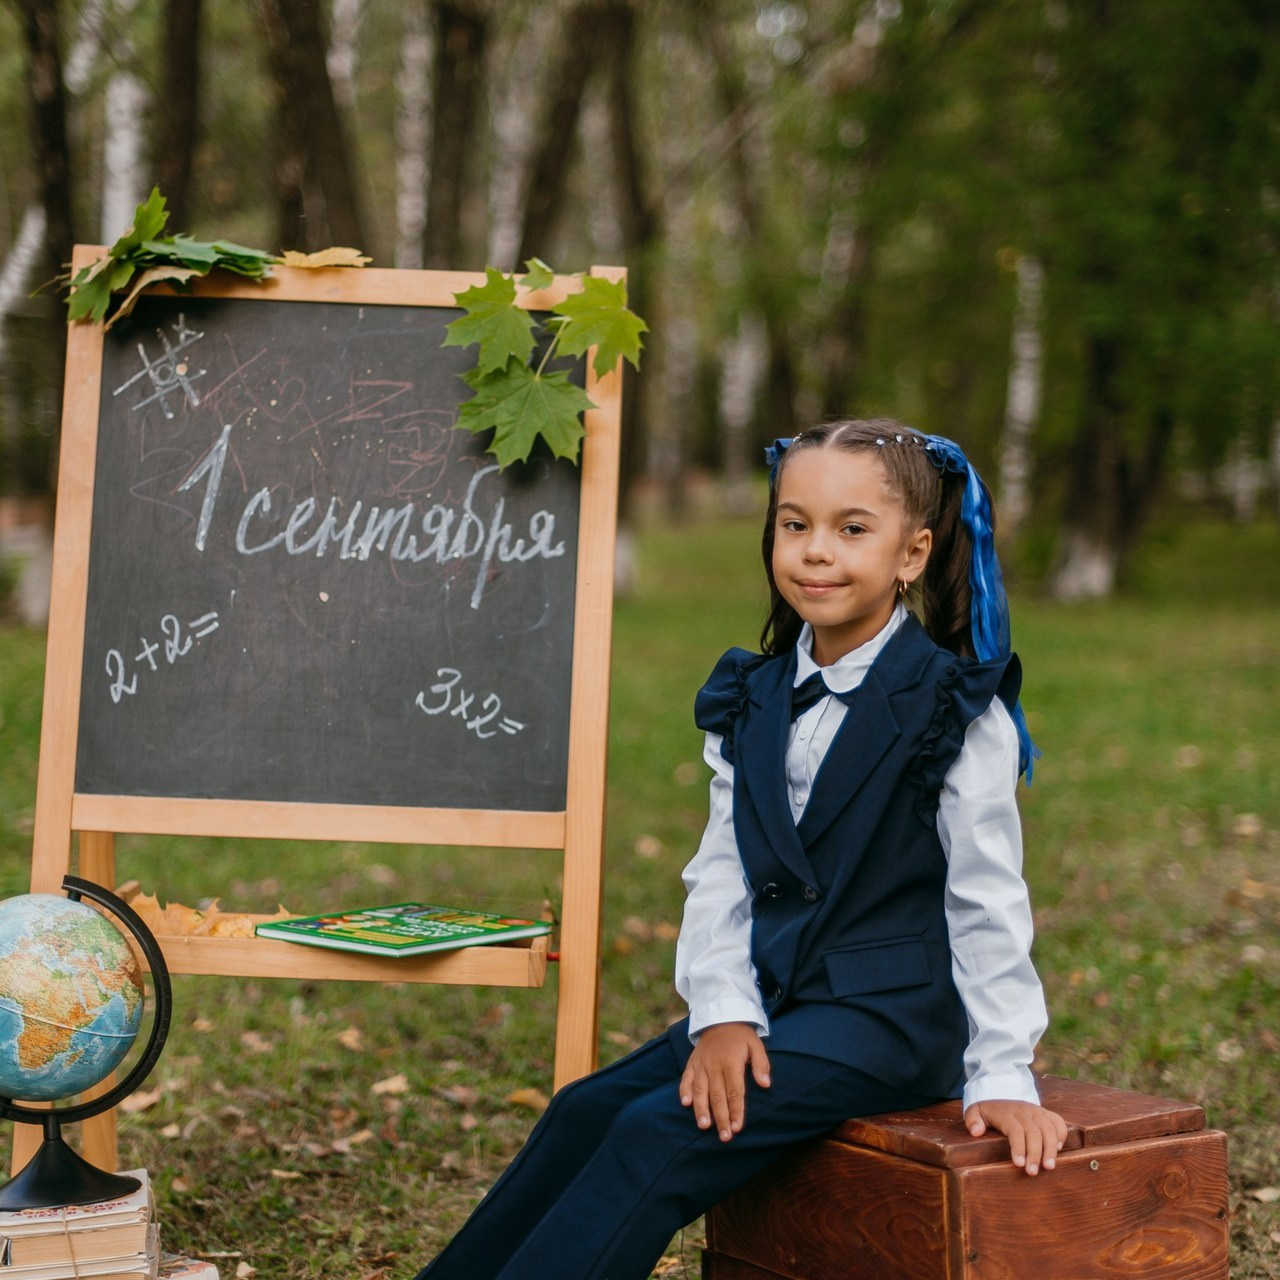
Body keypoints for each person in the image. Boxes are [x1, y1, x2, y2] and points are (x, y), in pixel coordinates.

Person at [415, 418, 1067, 1280]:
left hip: (889, 1019)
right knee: (585, 1111)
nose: (816, 552)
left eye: (852, 529)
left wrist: (1003, 1073)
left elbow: (987, 902)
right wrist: (723, 1009)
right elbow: (721, 868)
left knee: (657, 1134)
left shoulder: (954, 707)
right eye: (795, 525)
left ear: (912, 554)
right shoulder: (752, 697)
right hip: (775, 998)